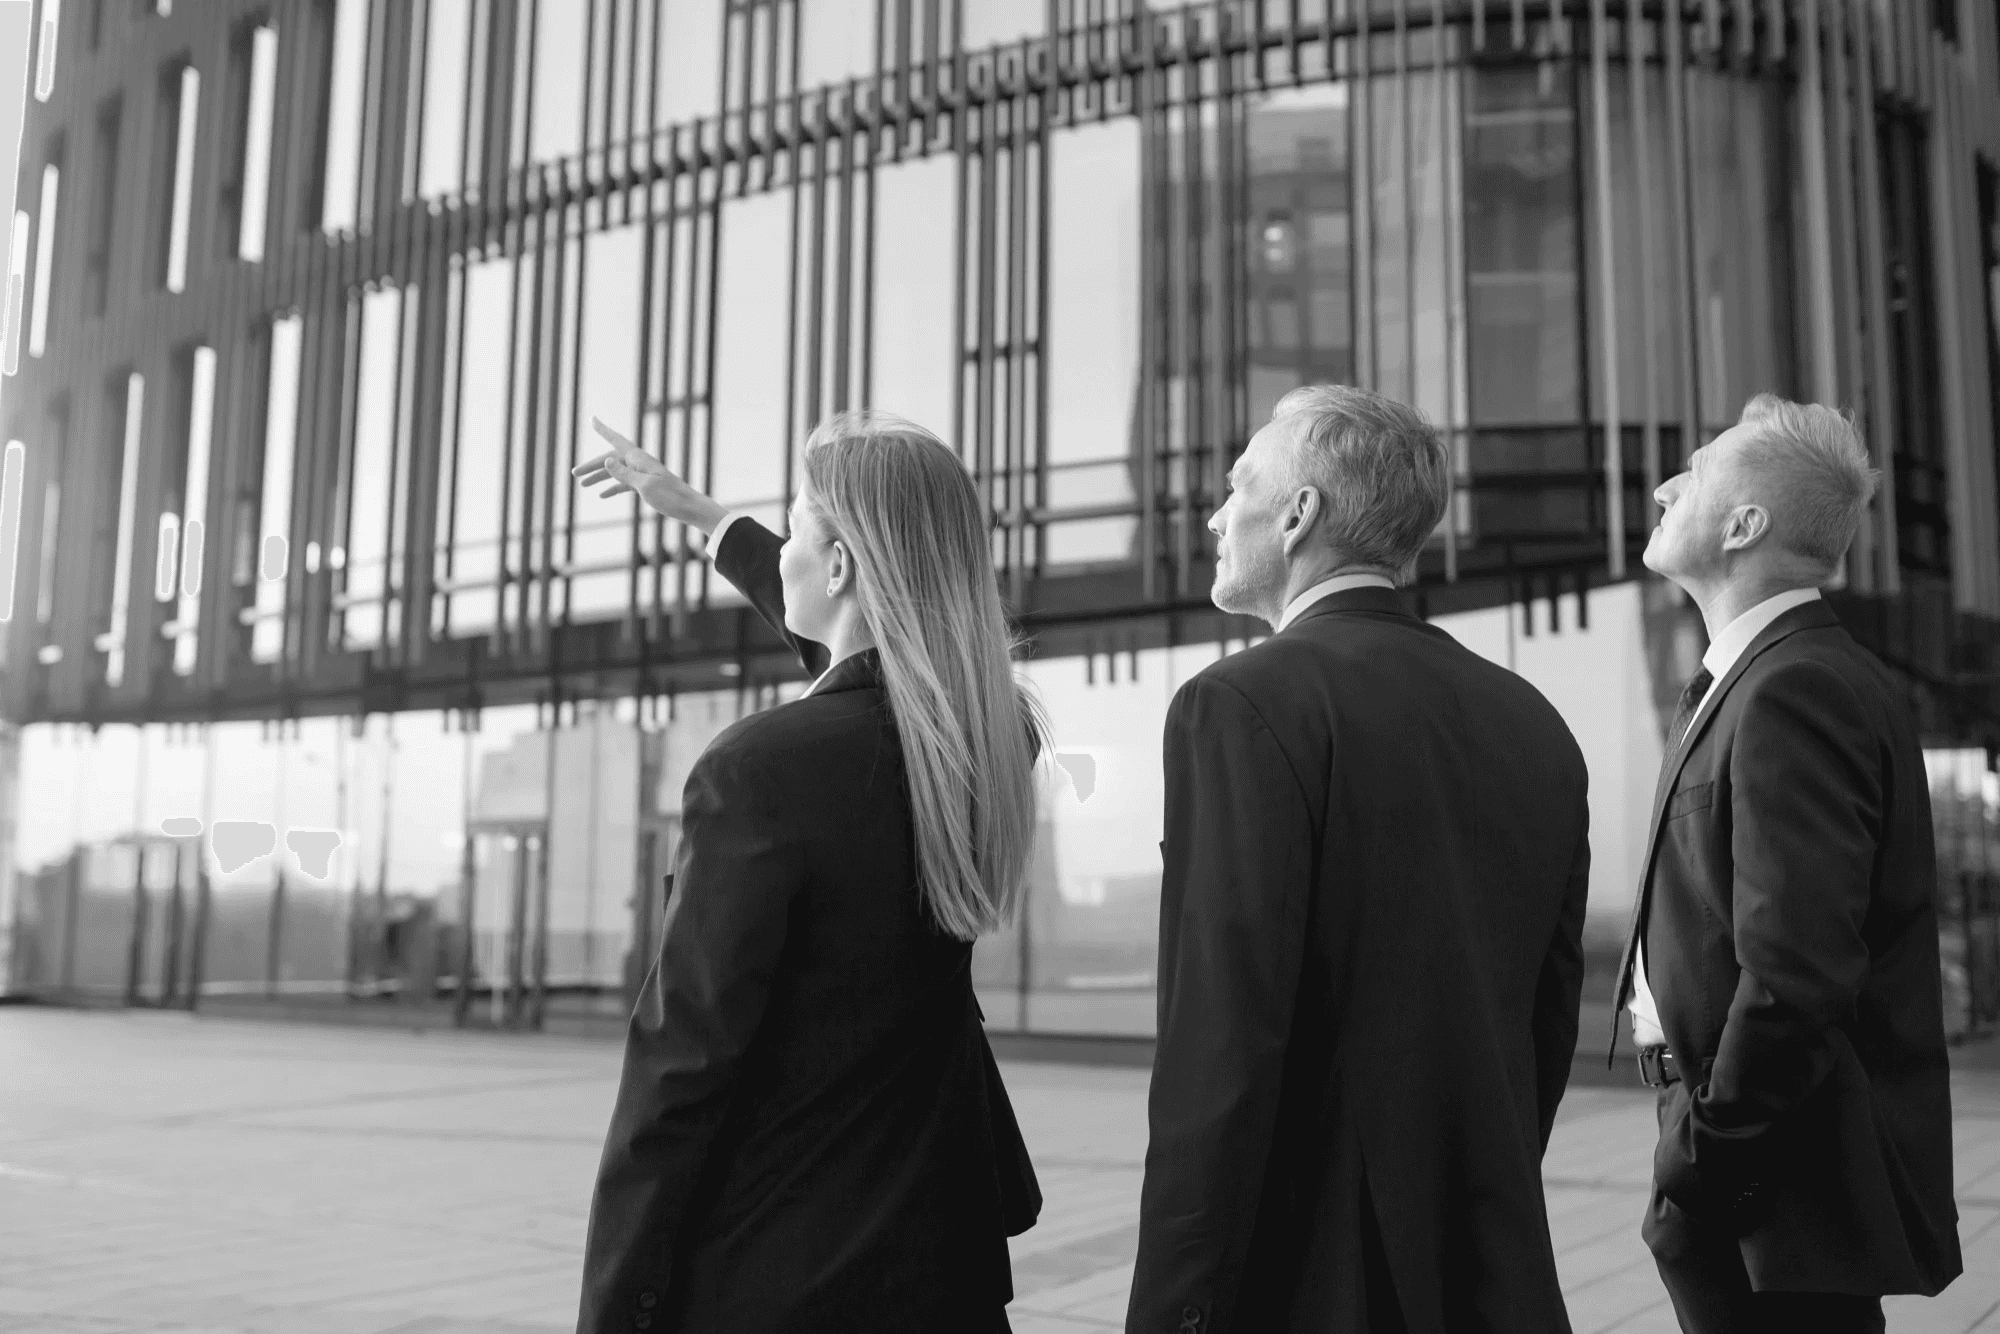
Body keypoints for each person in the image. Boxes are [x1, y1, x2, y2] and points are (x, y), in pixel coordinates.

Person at [569, 410, 1048, 1334]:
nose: (781, 550)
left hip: (781, 1271)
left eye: (795, 531)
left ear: (837, 570)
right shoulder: (991, 742)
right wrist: (699, 514)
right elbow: (876, 677)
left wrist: (614, 1309)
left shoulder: (759, 770)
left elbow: (685, 1065)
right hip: (943, 1261)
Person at [1126, 385, 1592, 1334]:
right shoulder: (1532, 721)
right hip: (1492, 1272)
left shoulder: (1241, 704)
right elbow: (1546, 1022)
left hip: (1311, 1280)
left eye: (1237, 486)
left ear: (1299, 516)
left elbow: (1218, 1048)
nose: (1216, 514)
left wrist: (1175, 1307)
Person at [1610, 394, 1961, 1332]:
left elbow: (1798, 968)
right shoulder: (1772, 674)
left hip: (1772, 1179)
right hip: (1762, 1168)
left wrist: (1706, 1151)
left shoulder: (1793, 685)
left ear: (1744, 523)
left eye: (1695, 471)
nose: (1663, 487)